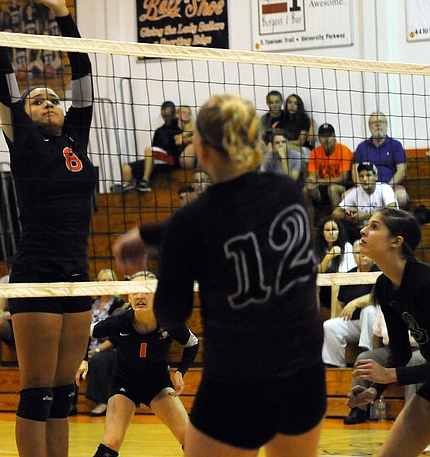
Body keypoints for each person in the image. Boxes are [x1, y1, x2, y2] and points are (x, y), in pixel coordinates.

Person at [114, 93, 325, 456]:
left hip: (238, 383)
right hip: (304, 375)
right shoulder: (287, 192)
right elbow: (235, 216)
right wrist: (153, 235)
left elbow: (172, 314)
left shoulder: (191, 222)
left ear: (203, 147)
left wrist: (171, 258)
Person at [0, 0, 95, 457]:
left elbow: (84, 73)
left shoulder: (77, 137)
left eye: (53, 98)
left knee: (63, 396)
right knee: (37, 393)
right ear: (25, 117)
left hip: (78, 274)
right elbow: (4, 76)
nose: (49, 102)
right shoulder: (26, 145)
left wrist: (64, 16)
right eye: (38, 100)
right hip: (35, 273)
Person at [88, 271, 198, 457]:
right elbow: (87, 332)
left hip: (158, 385)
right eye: (135, 291)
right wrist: (83, 361)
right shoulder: (120, 320)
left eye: (146, 290)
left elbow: (193, 344)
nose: (140, 295)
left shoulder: (169, 320)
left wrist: (180, 372)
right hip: (124, 384)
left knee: (192, 441)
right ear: (128, 296)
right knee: (110, 442)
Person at [348, 208, 430, 455]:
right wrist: (374, 389)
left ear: (397, 242)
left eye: (374, 227)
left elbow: (395, 369)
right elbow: (400, 352)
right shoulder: (385, 286)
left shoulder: (424, 283)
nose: (363, 230)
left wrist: (391, 375)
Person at [344, 306, 426, 424]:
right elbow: (398, 351)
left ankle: (411, 414)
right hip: (393, 349)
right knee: (365, 358)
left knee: (415, 360)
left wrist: (388, 374)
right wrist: (375, 388)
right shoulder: (387, 298)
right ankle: (358, 409)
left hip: (421, 349)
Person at [77, 268, 125, 417]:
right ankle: (70, 403)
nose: (106, 283)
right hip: (87, 347)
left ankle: (103, 402)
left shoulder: (118, 303)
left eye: (109, 280)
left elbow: (116, 336)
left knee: (98, 360)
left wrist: (96, 351)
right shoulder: (90, 303)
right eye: (103, 280)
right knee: (72, 359)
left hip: (112, 349)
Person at [321, 244, 378, 367]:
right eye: (357, 252)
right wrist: (337, 317)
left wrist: (354, 303)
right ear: (353, 256)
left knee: (368, 310)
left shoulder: (378, 271)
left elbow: (377, 296)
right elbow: (340, 303)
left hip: (375, 324)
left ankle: (369, 353)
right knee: (330, 325)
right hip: (354, 323)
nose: (361, 254)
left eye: (365, 251)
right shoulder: (349, 275)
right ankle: (335, 365)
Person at [121, 101, 183, 192]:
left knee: (148, 150)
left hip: (171, 160)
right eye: (163, 116)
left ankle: (145, 181)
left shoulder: (179, 130)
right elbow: (154, 149)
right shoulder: (159, 131)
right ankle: (127, 187)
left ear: (173, 114)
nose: (166, 119)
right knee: (126, 168)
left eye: (168, 116)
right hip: (157, 158)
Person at [352, 112, 409, 207]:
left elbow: (402, 170)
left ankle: (395, 221)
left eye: (381, 122)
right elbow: (355, 171)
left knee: (401, 197)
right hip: (366, 187)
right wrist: (364, 188)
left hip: (390, 186)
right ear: (369, 127)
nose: (378, 125)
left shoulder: (395, 145)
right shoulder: (362, 147)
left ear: (386, 125)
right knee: (345, 197)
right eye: (374, 122)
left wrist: (386, 188)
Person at [333, 162, 398, 241]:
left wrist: (364, 216)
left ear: (376, 176)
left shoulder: (385, 189)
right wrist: (348, 216)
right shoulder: (356, 192)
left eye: (368, 175)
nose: (364, 179)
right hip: (363, 232)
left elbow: (393, 211)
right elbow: (335, 213)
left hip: (383, 231)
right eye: (361, 176)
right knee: (343, 224)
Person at [303, 123, 353, 222]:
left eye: (329, 136)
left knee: (332, 188)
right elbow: (313, 177)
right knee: (306, 190)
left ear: (334, 137)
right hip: (321, 189)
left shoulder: (344, 150)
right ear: (319, 138)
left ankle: (337, 224)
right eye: (323, 136)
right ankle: (310, 227)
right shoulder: (315, 152)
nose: (326, 139)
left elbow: (343, 178)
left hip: (341, 187)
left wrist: (318, 181)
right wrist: (312, 182)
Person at [315, 215, 357, 309]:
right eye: (327, 230)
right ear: (322, 233)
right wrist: (329, 256)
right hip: (324, 288)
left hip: (343, 288)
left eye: (334, 229)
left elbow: (345, 273)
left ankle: (333, 318)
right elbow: (316, 273)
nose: (331, 233)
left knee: (337, 283)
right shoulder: (317, 249)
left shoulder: (347, 246)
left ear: (339, 231)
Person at [282, 93, 313, 158]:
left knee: (284, 150)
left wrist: (285, 143)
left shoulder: (303, 119)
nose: (292, 105)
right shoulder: (283, 117)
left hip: (303, 149)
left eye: (295, 103)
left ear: (299, 106)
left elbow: (300, 142)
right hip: (287, 147)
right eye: (289, 102)